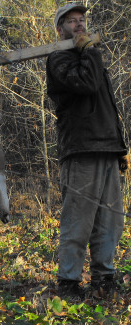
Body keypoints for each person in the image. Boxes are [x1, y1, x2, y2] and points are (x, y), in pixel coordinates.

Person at [46, 3, 128, 298]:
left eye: (82, 20)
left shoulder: (88, 58)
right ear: (60, 29)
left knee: (111, 221)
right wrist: (90, 51)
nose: (79, 25)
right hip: (81, 149)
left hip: (106, 149)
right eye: (71, 22)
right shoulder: (59, 59)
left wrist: (120, 149)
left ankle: (104, 279)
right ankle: (68, 282)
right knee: (78, 221)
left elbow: (107, 108)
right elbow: (88, 85)